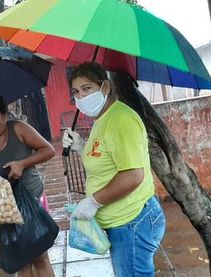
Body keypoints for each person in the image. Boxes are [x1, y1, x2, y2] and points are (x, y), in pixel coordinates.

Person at [63, 62, 166, 277]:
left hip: (132, 222)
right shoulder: (103, 118)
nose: (81, 97)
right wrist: (81, 146)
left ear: (106, 87)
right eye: (76, 92)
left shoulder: (121, 120)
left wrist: (93, 201)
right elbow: (107, 159)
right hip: (121, 223)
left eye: (87, 88)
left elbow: (133, 175)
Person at [0, 93, 56, 277]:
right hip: (8, 209)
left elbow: (48, 150)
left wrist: (22, 164)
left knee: (40, 257)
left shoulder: (19, 129)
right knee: (21, 262)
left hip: (33, 201)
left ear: (5, 114)